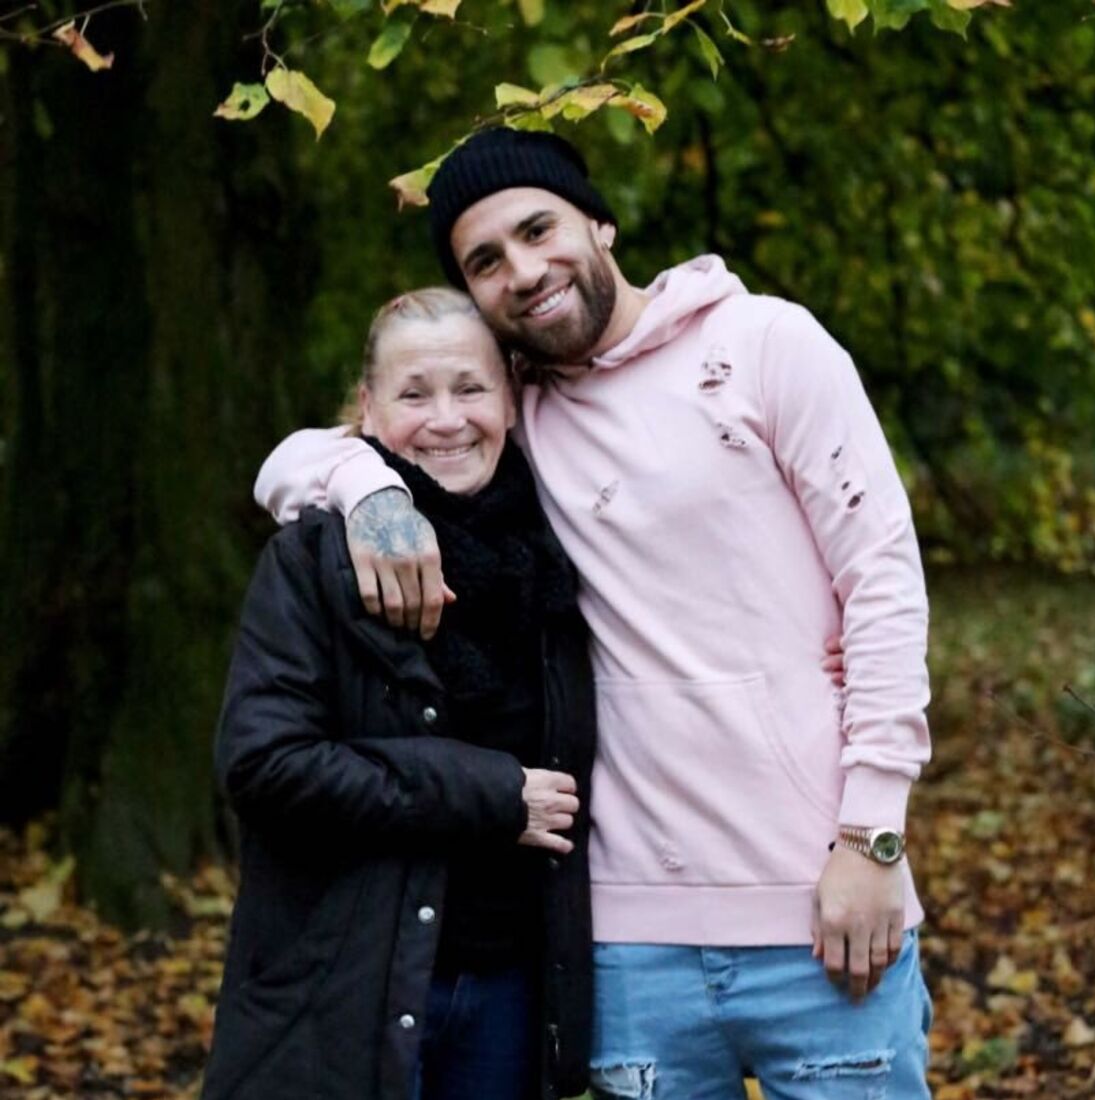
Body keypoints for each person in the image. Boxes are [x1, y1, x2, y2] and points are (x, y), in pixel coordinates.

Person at [255, 129, 934, 1098]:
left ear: (599, 222)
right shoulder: (513, 413)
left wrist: (872, 833)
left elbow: (883, 584)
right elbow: (293, 461)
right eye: (483, 260)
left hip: (821, 909)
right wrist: (372, 491)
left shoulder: (765, 347)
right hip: (624, 946)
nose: (523, 271)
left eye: (537, 229)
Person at [202, 287, 597, 1100]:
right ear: (367, 410)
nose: (446, 419)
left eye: (470, 389)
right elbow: (266, 765)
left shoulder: (564, 550)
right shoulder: (316, 557)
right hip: (345, 988)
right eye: (414, 394)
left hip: (514, 993)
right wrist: (489, 792)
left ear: (512, 401)